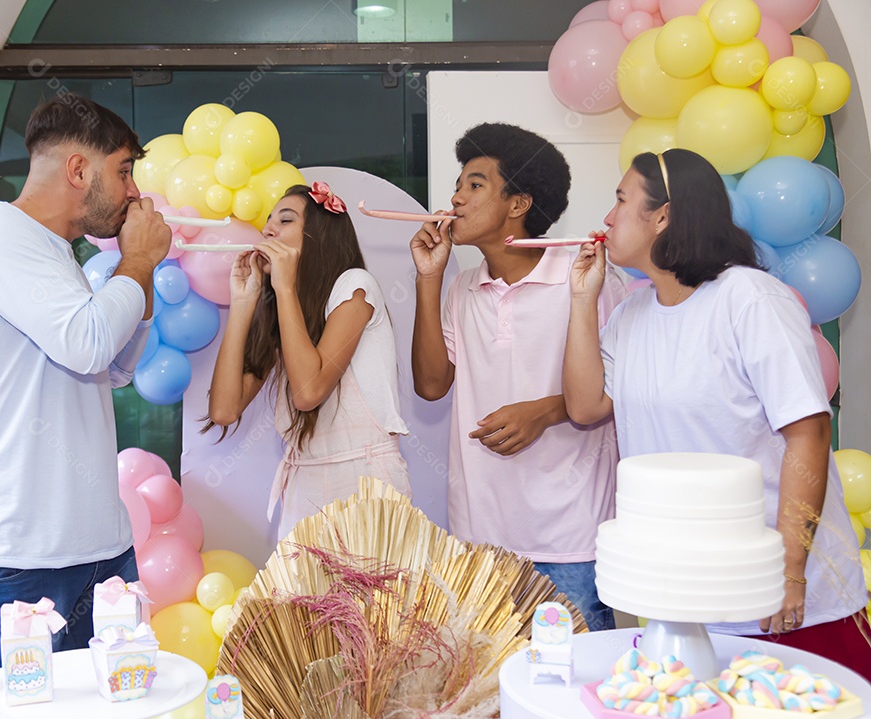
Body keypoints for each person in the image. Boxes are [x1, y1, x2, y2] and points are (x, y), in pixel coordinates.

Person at [563, 148, 869, 675]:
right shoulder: (633, 313)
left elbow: (810, 434)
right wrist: (581, 301)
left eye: (620, 200)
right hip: (688, 594)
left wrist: (788, 570)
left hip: (781, 594)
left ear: (663, 216)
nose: (608, 218)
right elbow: (585, 405)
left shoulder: (750, 299)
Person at [0, 93, 173, 708]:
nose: (134, 191)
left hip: (99, 551)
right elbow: (87, 342)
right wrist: (138, 260)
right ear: (78, 169)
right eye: (124, 170)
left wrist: (140, 271)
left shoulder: (61, 254)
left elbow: (115, 366)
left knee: (121, 710)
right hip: (10, 557)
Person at [410, 123, 627, 631]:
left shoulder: (587, 277)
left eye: (475, 185)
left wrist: (545, 412)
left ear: (518, 203)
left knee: (577, 679)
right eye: (458, 186)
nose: (456, 199)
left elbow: (624, 386)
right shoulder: (462, 287)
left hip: (571, 537)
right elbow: (430, 385)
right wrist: (429, 278)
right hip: (479, 538)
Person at [206, 182, 411, 538]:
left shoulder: (355, 285)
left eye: (284, 220)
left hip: (365, 481)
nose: (268, 230)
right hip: (304, 484)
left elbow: (308, 392)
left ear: (319, 236)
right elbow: (223, 411)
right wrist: (242, 302)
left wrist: (284, 288)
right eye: (268, 222)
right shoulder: (285, 311)